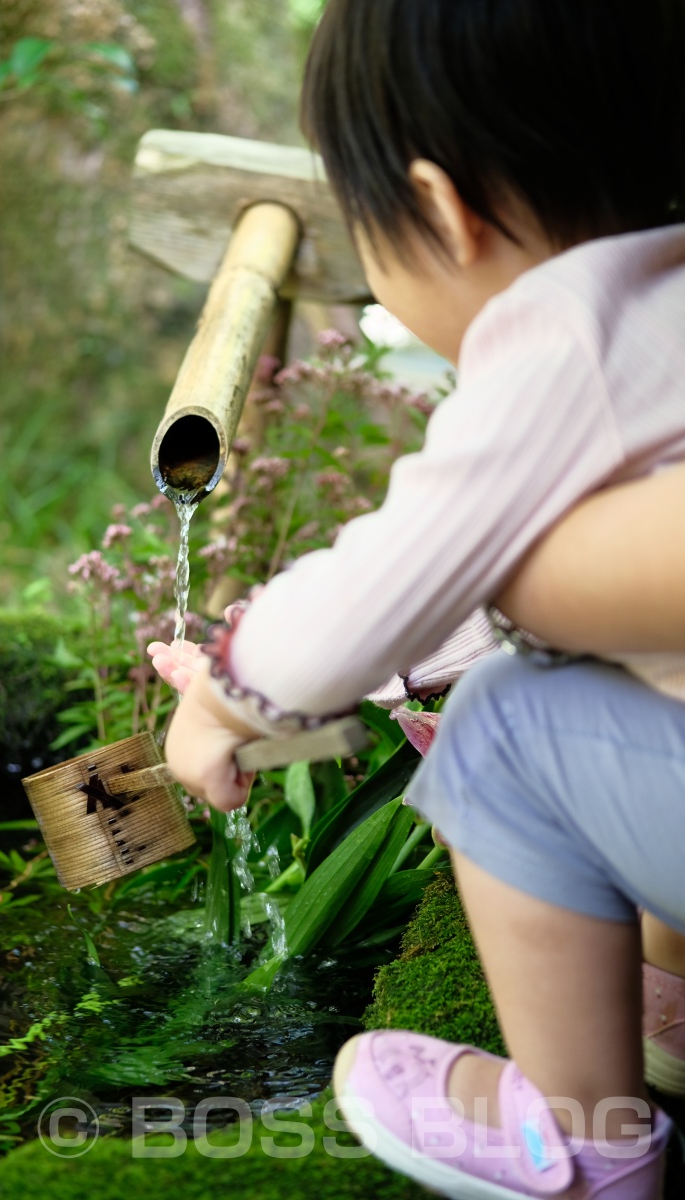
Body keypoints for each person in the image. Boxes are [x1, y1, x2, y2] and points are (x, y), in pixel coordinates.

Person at [150, 2, 685, 1195]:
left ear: (440, 211)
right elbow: (503, 583)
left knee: (501, 725)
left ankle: (580, 1139)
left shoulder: (560, 338)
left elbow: (400, 571)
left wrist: (230, 701)